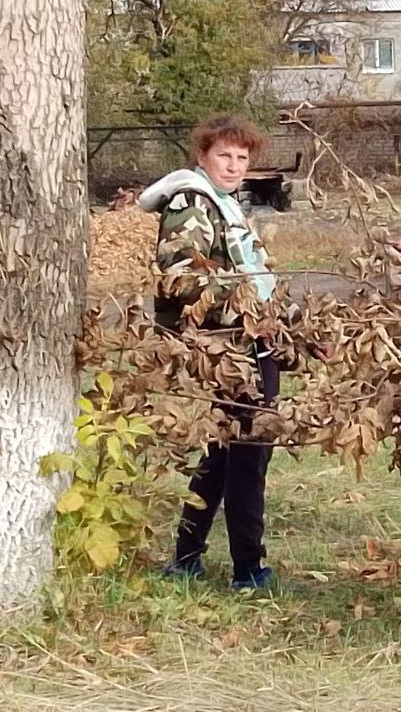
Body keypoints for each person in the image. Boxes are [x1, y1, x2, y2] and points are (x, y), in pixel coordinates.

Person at [138, 113, 280, 590]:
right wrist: (243, 308)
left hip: (243, 341)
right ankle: (249, 570)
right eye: (225, 155)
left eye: (242, 158)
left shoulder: (225, 204)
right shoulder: (191, 203)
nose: (234, 165)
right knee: (248, 455)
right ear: (202, 157)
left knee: (222, 453)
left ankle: (186, 557)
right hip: (226, 348)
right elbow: (179, 277)